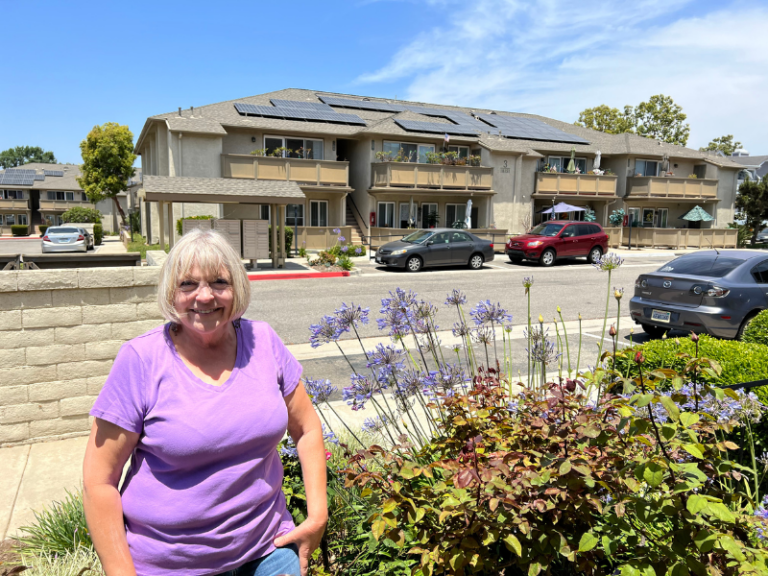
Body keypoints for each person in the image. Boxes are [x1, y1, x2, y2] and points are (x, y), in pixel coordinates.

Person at [83, 229, 327, 576]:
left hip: (268, 550)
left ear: (237, 287)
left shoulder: (263, 341)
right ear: (171, 292)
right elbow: (98, 481)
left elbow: (306, 428)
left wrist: (317, 516)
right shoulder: (141, 360)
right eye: (188, 284)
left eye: (219, 282)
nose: (205, 296)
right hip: (172, 563)